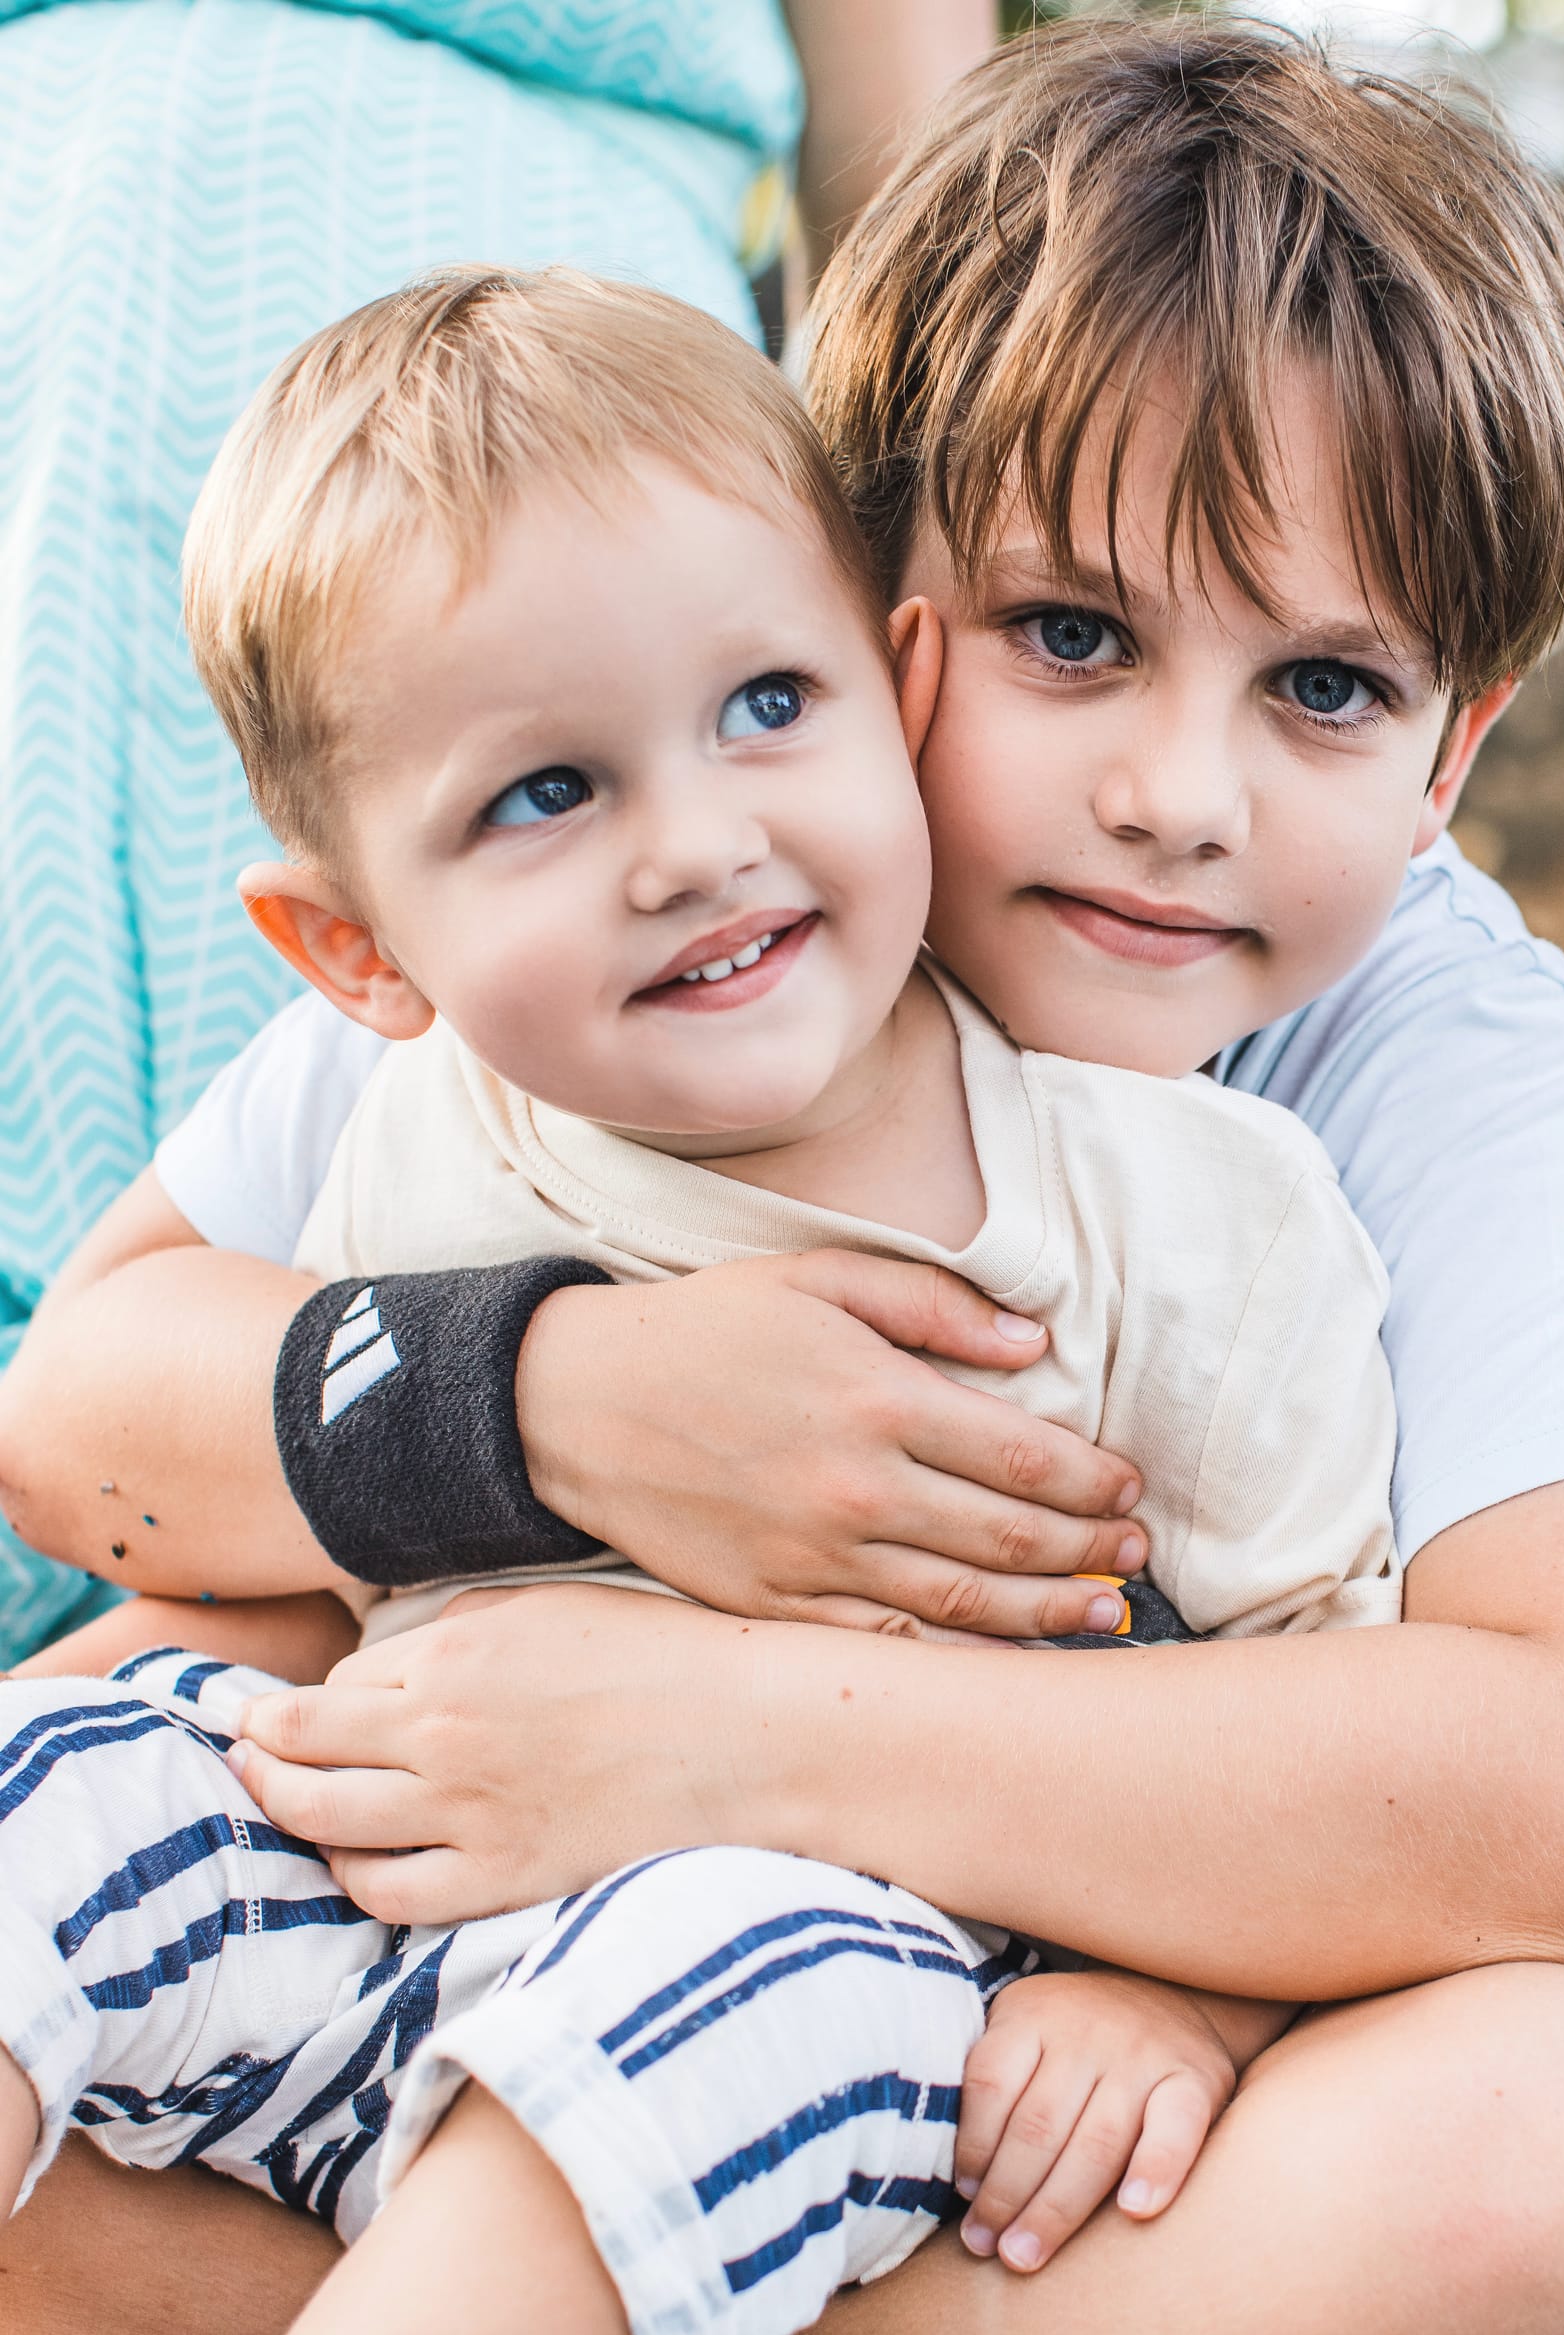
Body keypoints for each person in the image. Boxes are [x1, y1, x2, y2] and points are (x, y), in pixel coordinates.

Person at [0, 14, 1564, 2335]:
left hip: (958, 2065)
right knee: (105, 1704)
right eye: (1070, 636)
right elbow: (97, 1411)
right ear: (858, 580)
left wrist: (748, 1733)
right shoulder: (668, 889)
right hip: (427, 1971)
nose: (1175, 794)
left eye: (1325, 695)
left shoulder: (1414, 1035)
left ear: (1456, 750)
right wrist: (562, 1399)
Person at [0, 0, 997, 1667]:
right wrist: (537, 1394)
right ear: (354, 952)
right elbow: (73, 1410)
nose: (693, 848)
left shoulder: (1089, 1146)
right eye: (555, 794)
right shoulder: (431, 1048)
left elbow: (910, 159)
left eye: (770, 704)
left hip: (568, 401)